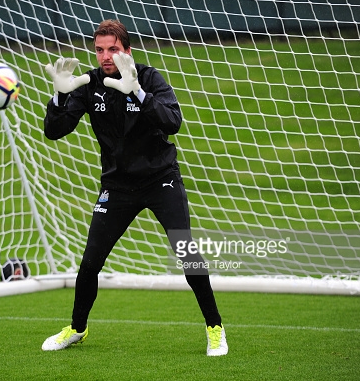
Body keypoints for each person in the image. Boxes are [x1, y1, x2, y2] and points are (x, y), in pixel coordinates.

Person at [41, 19, 228, 356]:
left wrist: (138, 93)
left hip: (161, 179)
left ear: (126, 49)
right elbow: (55, 131)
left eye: (112, 49)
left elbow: (173, 122)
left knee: (186, 253)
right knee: (89, 264)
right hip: (118, 185)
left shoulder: (149, 78)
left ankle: (215, 327)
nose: (104, 56)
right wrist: (58, 95)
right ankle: (77, 329)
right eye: (99, 50)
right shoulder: (89, 83)